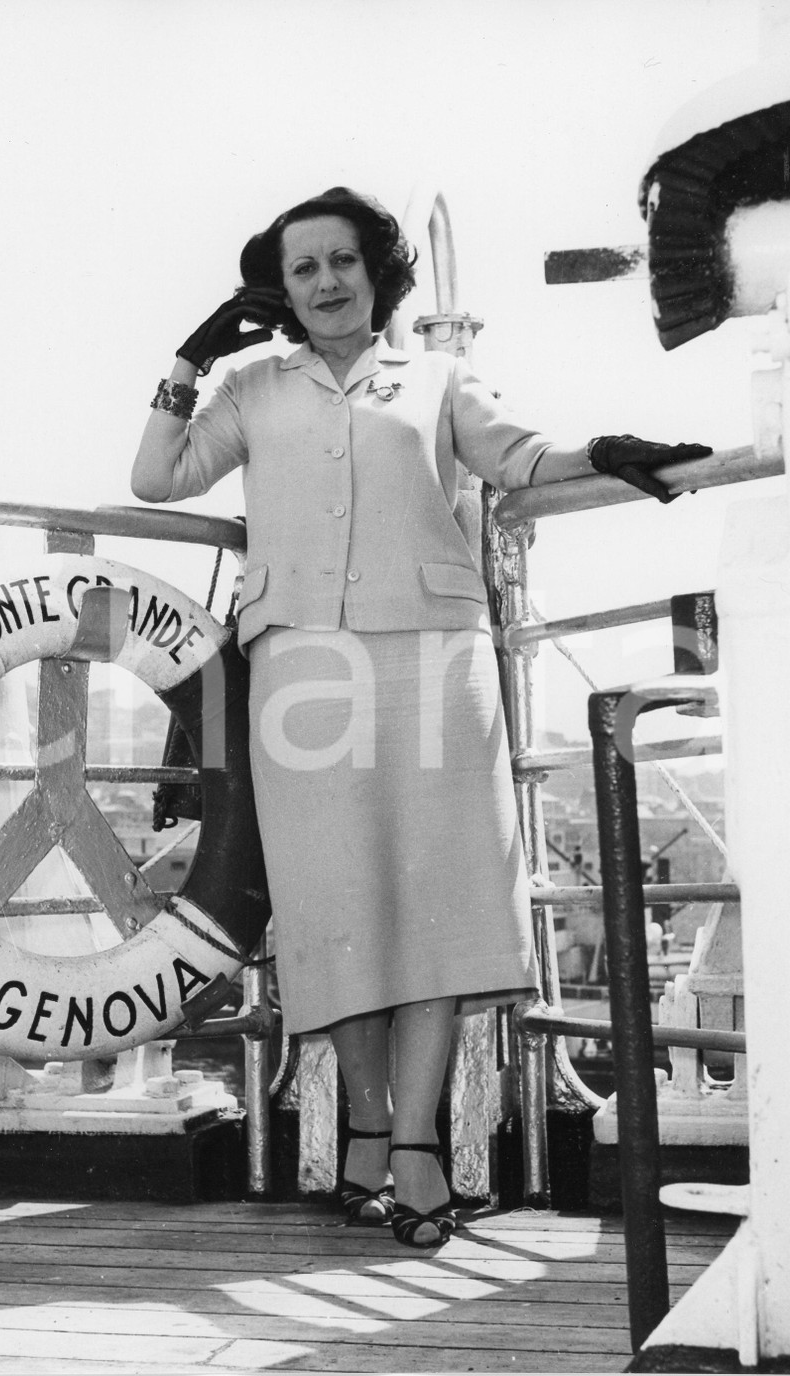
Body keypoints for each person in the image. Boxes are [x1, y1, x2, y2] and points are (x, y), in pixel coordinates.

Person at [131, 187, 709, 1247]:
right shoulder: (253, 384)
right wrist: (189, 358)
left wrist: (610, 451)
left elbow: (520, 457)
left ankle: (414, 1152)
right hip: (300, 668)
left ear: (376, 271)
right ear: (277, 288)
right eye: (301, 268)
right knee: (332, 903)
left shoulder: (437, 378)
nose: (324, 283)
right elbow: (156, 475)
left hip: (436, 664)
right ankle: (363, 1121)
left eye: (342, 260)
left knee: (439, 904)